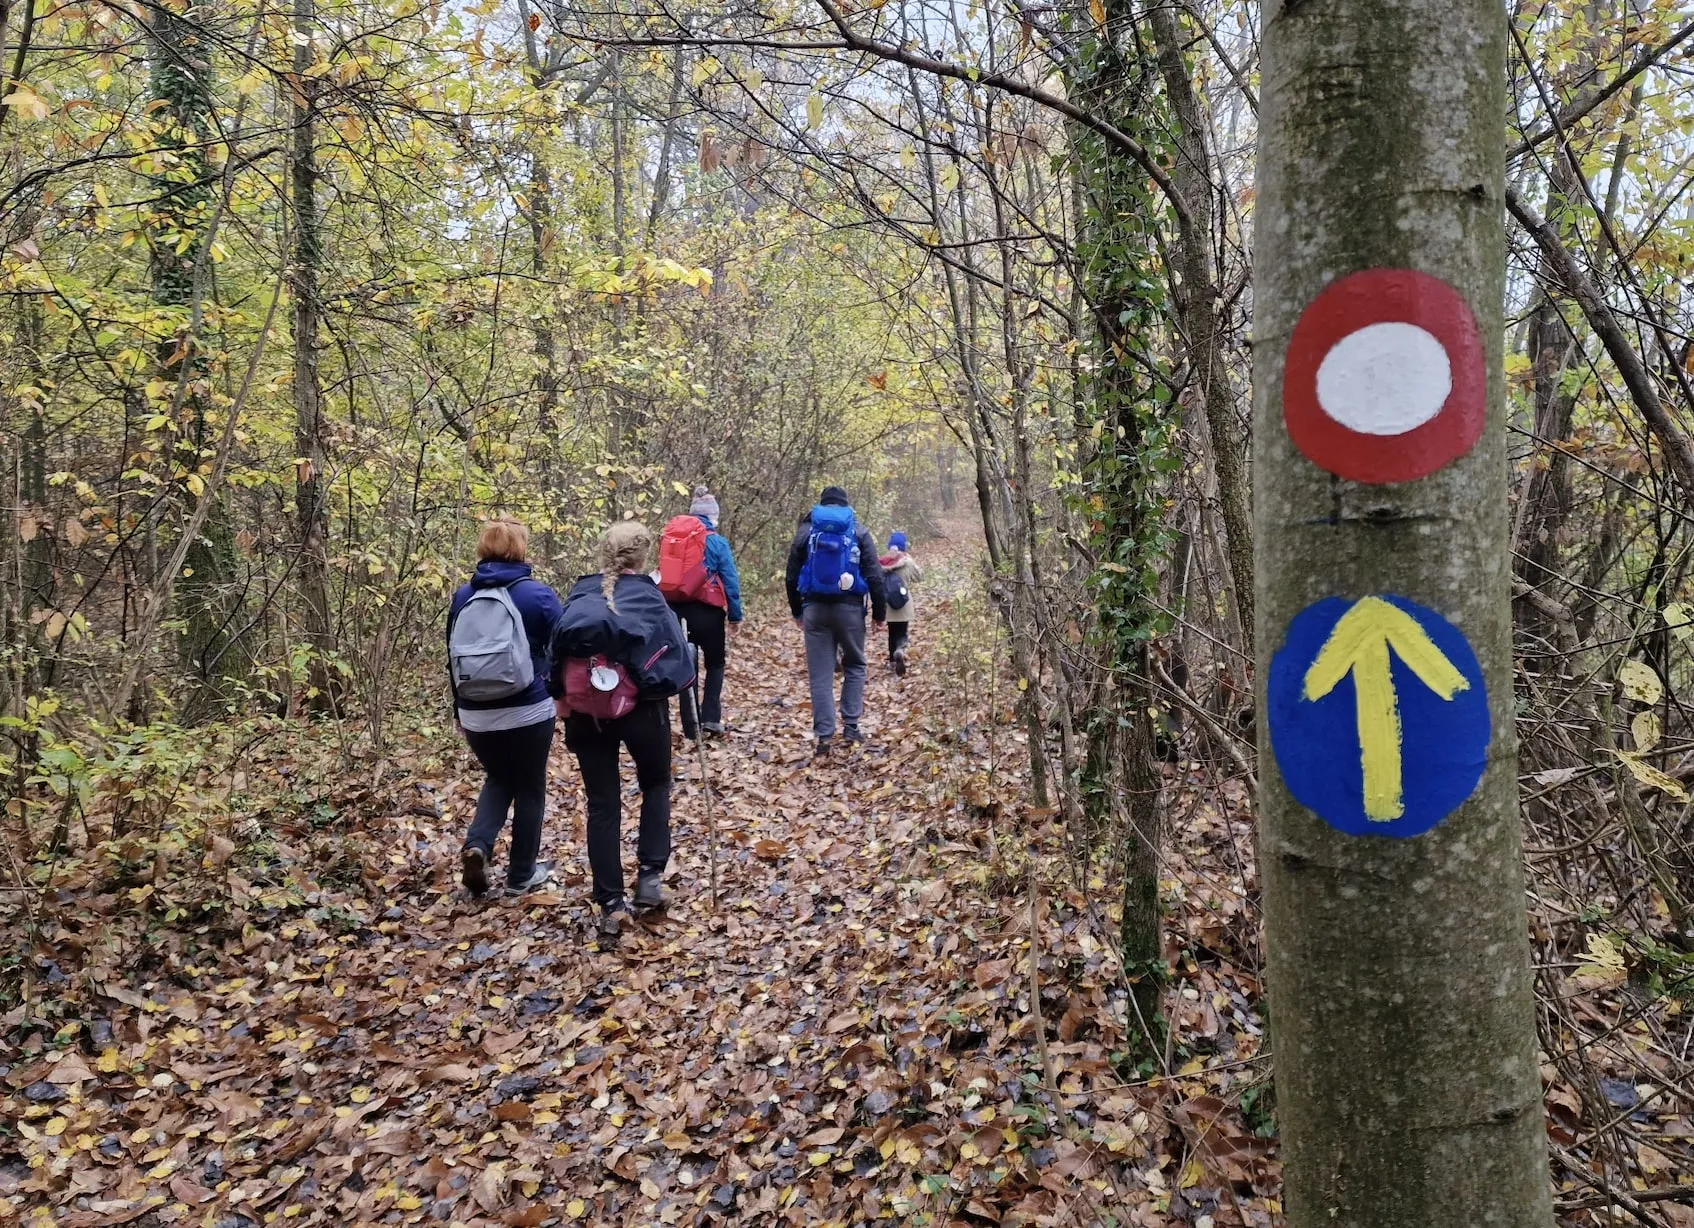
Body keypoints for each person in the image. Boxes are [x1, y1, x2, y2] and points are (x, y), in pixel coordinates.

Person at [549, 521, 694, 941]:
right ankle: (649, 880)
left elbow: (553, 655)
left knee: (602, 804)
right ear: (643, 557)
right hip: (643, 712)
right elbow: (674, 662)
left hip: (585, 713)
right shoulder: (650, 596)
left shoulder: (578, 594)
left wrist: (562, 699)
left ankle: (610, 903)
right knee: (655, 784)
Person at [446, 517, 563, 897]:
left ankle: (478, 844)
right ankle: (521, 874)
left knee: (499, 778)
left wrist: (458, 709)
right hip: (528, 709)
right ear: (521, 549)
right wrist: (560, 694)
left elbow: (453, 657)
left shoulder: (463, 597)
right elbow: (563, 648)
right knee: (529, 787)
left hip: (476, 711)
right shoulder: (538, 595)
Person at [785, 485, 886, 755]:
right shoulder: (858, 531)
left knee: (820, 674)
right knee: (855, 664)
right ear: (845, 506)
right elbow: (875, 574)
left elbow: (791, 577)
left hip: (814, 609)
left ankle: (824, 738)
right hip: (850, 609)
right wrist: (879, 613)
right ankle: (851, 726)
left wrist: (797, 611)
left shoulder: (806, 532)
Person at [658, 486, 743, 738]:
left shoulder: (673, 539)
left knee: (687, 665)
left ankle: (690, 727)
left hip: (675, 610)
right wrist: (735, 614)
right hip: (709, 612)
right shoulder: (717, 541)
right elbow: (730, 580)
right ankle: (711, 719)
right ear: (714, 516)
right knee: (715, 662)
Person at [880, 530, 922, 675]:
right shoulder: (907, 562)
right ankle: (900, 650)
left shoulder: (882, 562)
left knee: (892, 632)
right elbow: (919, 577)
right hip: (904, 602)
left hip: (889, 603)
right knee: (902, 631)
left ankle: (892, 660)